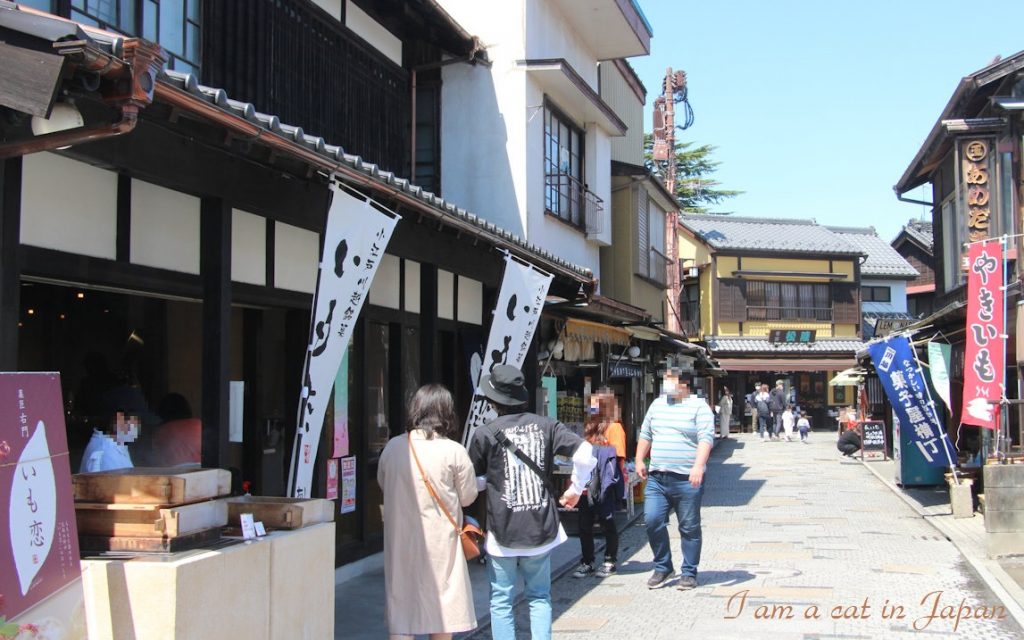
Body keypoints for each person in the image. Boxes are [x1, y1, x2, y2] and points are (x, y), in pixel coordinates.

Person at [468, 365, 595, 640]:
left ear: (493, 401)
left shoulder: (484, 433)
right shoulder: (546, 425)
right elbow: (586, 451)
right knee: (539, 597)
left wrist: (487, 483)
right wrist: (576, 488)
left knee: (501, 601)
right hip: (541, 527)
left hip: (503, 530)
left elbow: (473, 481)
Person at [378, 385, 479, 640]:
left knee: (402, 610)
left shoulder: (392, 447)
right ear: (446, 412)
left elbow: (383, 482)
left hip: (400, 541)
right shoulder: (453, 450)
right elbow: (468, 497)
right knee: (442, 611)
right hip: (441, 543)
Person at [635, 367, 714, 591]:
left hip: (687, 479)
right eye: (665, 380)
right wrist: (640, 459)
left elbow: (706, 438)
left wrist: (699, 466)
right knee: (652, 520)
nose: (666, 385)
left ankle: (689, 572)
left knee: (689, 526)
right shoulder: (657, 404)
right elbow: (646, 434)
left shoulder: (699, 407)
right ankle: (663, 566)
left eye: (671, 381)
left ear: (684, 384)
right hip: (657, 478)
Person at [572, 394, 624, 580]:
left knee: (607, 522)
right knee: (583, 525)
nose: (591, 409)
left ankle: (610, 560)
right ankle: (587, 561)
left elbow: (617, 459)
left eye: (595, 405)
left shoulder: (615, 427)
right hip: (586, 483)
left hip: (604, 483)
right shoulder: (589, 428)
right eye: (590, 405)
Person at [151, 393, 201, 466]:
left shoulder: (160, 432)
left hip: (173, 473)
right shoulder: (198, 424)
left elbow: (158, 459)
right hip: (202, 469)